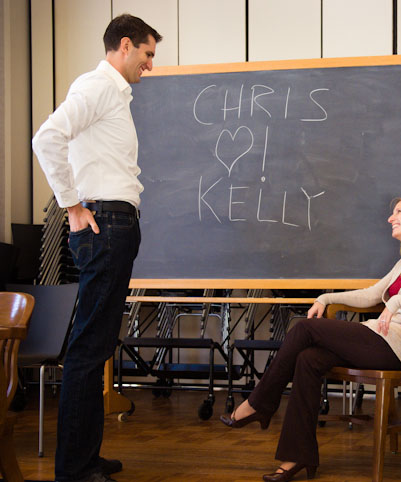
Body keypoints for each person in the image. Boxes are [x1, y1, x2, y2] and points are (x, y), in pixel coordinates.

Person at [220, 196, 401, 482]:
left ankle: (258, 403)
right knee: (308, 359)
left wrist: (396, 303)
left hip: (398, 348)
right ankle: (297, 457)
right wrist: (325, 297)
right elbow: (370, 294)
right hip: (378, 339)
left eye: (398, 212)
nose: (390, 218)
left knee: (305, 329)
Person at [32, 14, 162, 482]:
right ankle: (74, 468)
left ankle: (84, 457)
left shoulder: (112, 94)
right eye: (147, 54)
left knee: (98, 345)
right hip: (104, 223)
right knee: (89, 348)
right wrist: (71, 206)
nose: (150, 65)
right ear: (124, 46)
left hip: (113, 223)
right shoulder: (99, 86)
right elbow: (46, 137)